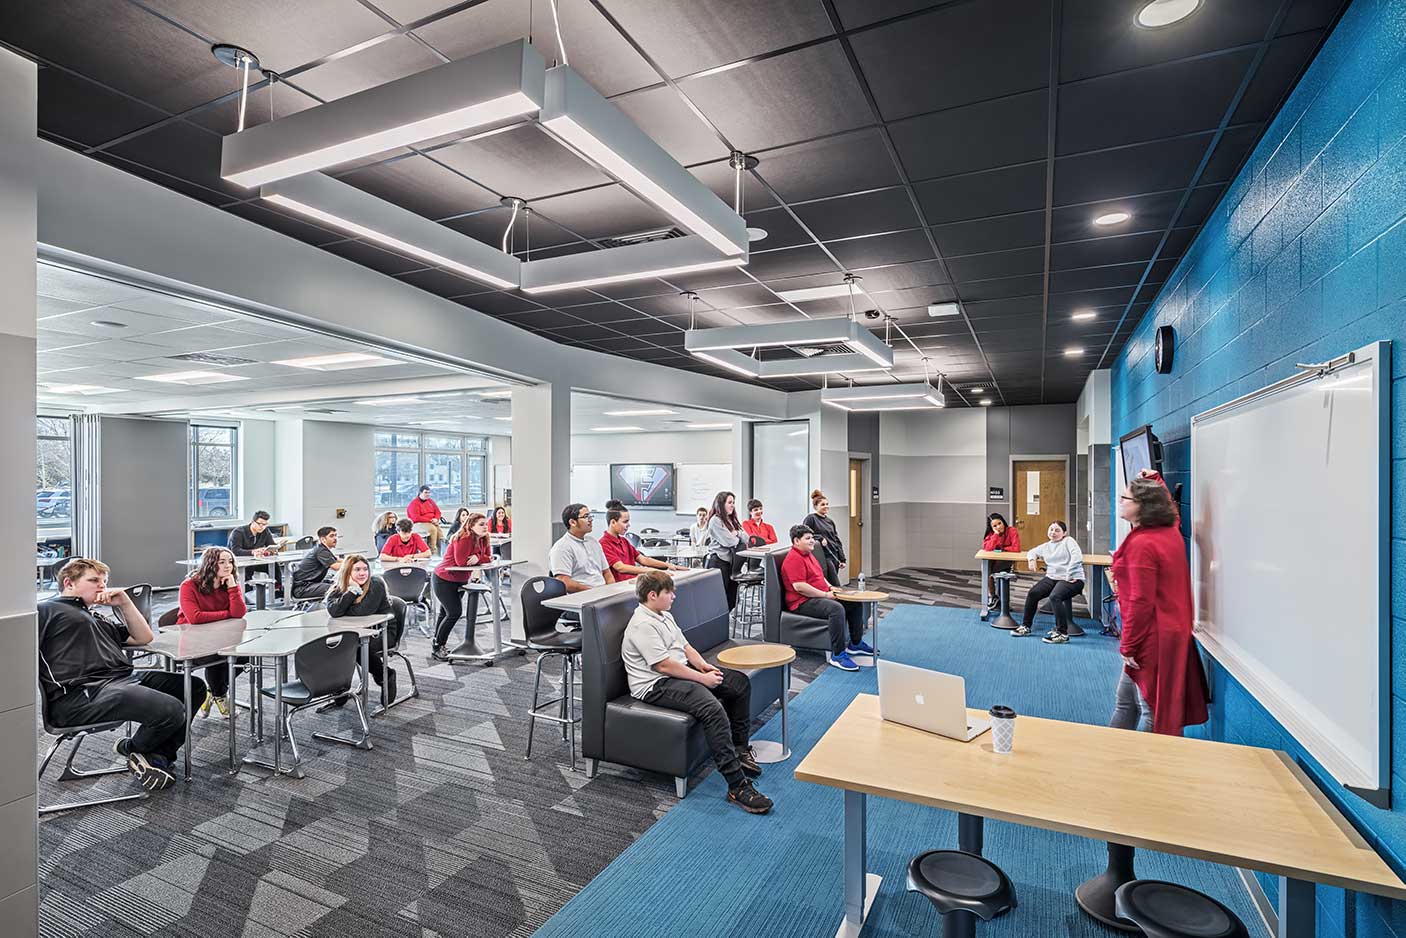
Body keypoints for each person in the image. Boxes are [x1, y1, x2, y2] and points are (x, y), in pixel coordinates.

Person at [39, 558, 204, 791]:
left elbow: (143, 638)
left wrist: (125, 602)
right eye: (94, 580)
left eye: (104, 581)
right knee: (170, 710)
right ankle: (136, 750)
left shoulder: (96, 616)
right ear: (69, 583)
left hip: (120, 680)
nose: (102, 586)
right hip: (81, 693)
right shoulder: (47, 609)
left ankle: (154, 756)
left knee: (193, 686)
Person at [621, 571, 771, 815]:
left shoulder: (664, 615)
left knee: (739, 683)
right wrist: (702, 679)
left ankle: (739, 749)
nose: (673, 596)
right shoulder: (642, 625)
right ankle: (737, 785)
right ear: (652, 595)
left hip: (678, 672)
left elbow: (685, 646)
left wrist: (703, 666)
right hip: (655, 685)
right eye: (669, 592)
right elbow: (663, 666)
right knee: (712, 708)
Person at [1110, 474, 1208, 736]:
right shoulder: (1168, 532)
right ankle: (1110, 753)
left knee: (1151, 709)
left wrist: (1129, 645)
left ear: (1143, 506)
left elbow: (1140, 602)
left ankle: (1152, 759)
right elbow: (1173, 513)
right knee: (1126, 700)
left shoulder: (1143, 544)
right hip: (1168, 633)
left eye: (1126, 498)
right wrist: (1155, 479)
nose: (1121, 501)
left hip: (1152, 638)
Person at [780, 525, 872, 672]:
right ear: (796, 541)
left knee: (854, 602)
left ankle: (855, 644)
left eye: (812, 537)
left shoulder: (808, 554)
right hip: (801, 602)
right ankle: (838, 655)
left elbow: (819, 576)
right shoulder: (793, 559)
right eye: (808, 538)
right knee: (836, 609)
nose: (812, 541)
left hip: (817, 595)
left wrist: (830, 587)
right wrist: (825, 595)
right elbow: (799, 587)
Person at [176, 547, 247, 718]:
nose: (228, 566)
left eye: (230, 561)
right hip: (192, 640)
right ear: (210, 564)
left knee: (246, 655)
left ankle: (213, 691)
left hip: (219, 635)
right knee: (220, 656)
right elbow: (195, 617)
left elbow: (239, 612)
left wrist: (233, 587)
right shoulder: (189, 585)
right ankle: (220, 695)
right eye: (222, 562)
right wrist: (227, 614)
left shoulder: (228, 584)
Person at [325, 554, 404, 700]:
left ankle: (385, 675)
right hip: (355, 631)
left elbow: (361, 612)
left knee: (356, 647)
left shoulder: (376, 583)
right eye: (357, 569)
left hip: (382, 631)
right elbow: (334, 611)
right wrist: (352, 591)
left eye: (365, 569)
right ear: (347, 572)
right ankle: (341, 686)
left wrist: (346, 602)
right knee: (336, 645)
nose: (362, 573)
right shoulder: (340, 587)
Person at [431, 511, 492, 659]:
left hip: (461, 579)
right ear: (471, 526)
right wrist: (480, 558)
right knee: (454, 613)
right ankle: (438, 645)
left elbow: (489, 557)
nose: (485, 527)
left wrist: (477, 557)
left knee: (445, 613)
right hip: (444, 578)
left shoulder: (484, 538)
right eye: (481, 524)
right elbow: (461, 562)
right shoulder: (464, 538)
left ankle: (438, 644)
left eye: (486, 524)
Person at [1018, 521, 1085, 642]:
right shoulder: (1046, 546)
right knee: (1033, 593)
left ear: (1064, 533)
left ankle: (1062, 634)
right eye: (1051, 529)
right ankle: (1025, 626)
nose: (1053, 532)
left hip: (1073, 579)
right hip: (1053, 578)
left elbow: (1077, 557)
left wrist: (1069, 574)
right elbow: (1032, 552)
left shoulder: (1068, 541)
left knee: (1055, 596)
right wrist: (1031, 560)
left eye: (1057, 530)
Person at [600, 507, 687, 580]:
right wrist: (652, 571)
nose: (628, 525)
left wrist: (668, 565)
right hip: (620, 586)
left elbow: (643, 560)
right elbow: (620, 567)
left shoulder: (624, 541)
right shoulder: (604, 543)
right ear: (613, 522)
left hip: (633, 582)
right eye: (625, 522)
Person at [549, 503, 615, 592]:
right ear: (572, 522)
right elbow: (564, 582)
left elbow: (607, 573)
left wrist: (612, 591)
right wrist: (593, 592)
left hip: (602, 592)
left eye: (590, 516)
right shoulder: (562, 547)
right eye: (586, 516)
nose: (590, 520)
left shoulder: (594, 542)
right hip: (582, 595)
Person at [704, 491, 745, 610]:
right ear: (721, 504)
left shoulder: (730, 520)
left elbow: (746, 538)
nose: (732, 505)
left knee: (731, 599)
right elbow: (729, 542)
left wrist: (736, 533)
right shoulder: (715, 521)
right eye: (730, 502)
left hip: (730, 564)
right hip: (718, 563)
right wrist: (737, 536)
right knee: (718, 600)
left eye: (733, 502)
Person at [228, 508, 280, 592]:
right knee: (247, 570)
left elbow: (271, 544)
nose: (262, 527)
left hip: (256, 561)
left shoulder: (265, 531)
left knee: (274, 566)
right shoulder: (238, 532)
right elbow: (235, 551)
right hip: (240, 562)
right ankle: (246, 591)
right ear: (252, 522)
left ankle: (278, 590)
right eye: (259, 524)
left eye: (265, 524)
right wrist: (253, 552)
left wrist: (273, 549)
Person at [803, 489, 846, 584]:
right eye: (822, 504)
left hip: (834, 554)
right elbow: (804, 535)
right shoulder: (811, 518)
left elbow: (836, 540)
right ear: (815, 507)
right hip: (823, 555)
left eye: (827, 504)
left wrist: (842, 558)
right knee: (835, 583)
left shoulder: (830, 521)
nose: (826, 506)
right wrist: (820, 538)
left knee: (831, 583)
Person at [981, 512, 1021, 609]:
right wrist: (995, 535)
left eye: (999, 523)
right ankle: (994, 596)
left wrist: (1003, 548)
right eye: (995, 526)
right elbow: (987, 548)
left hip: (1006, 560)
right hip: (994, 560)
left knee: (987, 572)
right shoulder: (991, 534)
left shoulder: (1012, 530)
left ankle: (994, 597)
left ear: (1003, 522)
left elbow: (1016, 548)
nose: (998, 527)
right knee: (986, 566)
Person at [291, 525, 342, 601]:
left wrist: (354, 560)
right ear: (323, 539)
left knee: (339, 584)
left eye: (335, 535)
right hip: (303, 588)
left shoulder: (322, 549)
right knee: (338, 589)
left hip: (310, 584)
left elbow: (337, 560)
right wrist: (352, 565)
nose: (335, 538)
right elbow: (335, 566)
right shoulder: (321, 551)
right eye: (331, 536)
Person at [407, 485, 443, 554]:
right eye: (426, 492)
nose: (428, 494)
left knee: (439, 531)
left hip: (432, 522)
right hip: (418, 523)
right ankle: (432, 550)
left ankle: (441, 551)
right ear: (420, 493)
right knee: (433, 529)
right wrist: (430, 520)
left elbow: (438, 512)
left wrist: (436, 519)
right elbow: (416, 518)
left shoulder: (430, 501)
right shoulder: (414, 503)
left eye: (429, 493)